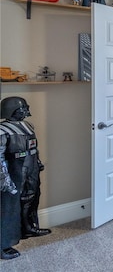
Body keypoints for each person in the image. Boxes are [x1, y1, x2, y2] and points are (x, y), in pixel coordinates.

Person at [0, 97, 51, 260]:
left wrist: (38, 163)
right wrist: (4, 179)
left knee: (31, 198)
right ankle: (4, 243)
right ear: (12, 110)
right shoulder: (2, 130)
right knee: (9, 207)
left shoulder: (28, 126)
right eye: (22, 108)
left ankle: (29, 228)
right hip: (14, 168)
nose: (26, 111)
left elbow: (34, 147)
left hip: (31, 167)